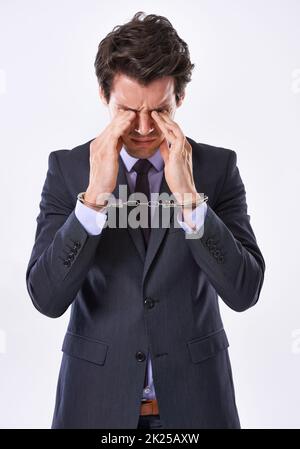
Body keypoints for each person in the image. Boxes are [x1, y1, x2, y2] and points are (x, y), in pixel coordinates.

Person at [26, 11, 265, 429]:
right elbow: (46, 298)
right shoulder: (66, 170)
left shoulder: (217, 168)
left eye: (159, 111)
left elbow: (244, 291)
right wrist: (93, 200)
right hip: (94, 405)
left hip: (197, 405)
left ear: (180, 100)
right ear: (104, 96)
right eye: (127, 110)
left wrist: (190, 199)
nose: (141, 127)